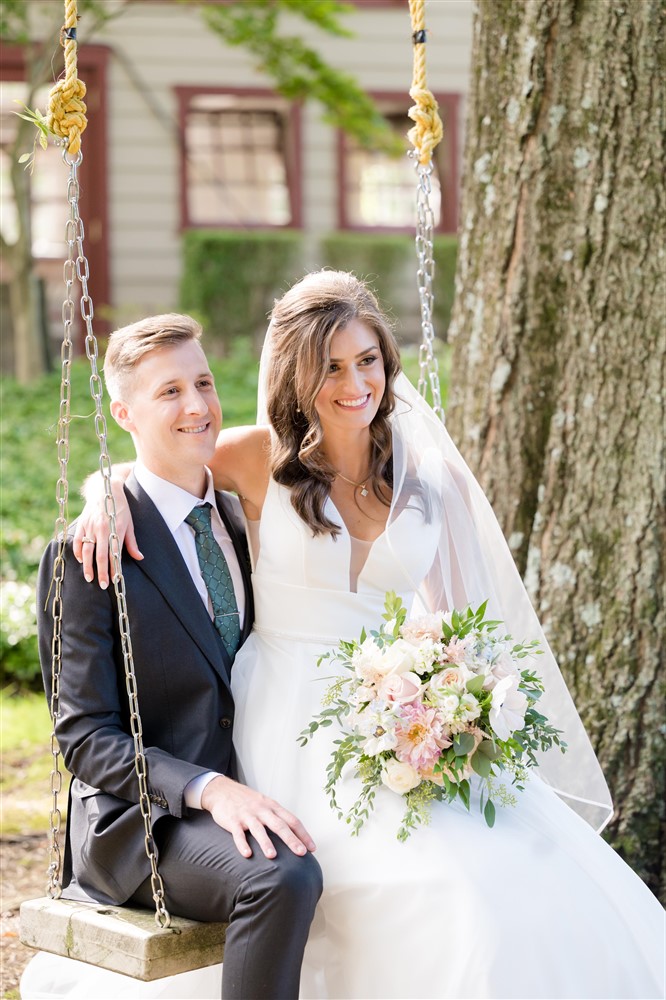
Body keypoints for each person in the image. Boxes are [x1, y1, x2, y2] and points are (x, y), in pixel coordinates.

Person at [73, 273, 664, 1000]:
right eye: (332, 366)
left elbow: (458, 622)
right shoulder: (258, 457)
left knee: (527, 865)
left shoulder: (432, 478)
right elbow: (158, 468)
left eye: (369, 360)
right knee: (432, 885)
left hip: (398, 709)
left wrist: (449, 696)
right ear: (298, 373)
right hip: (289, 714)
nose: (356, 383)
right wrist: (99, 497)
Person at [28, 314, 323, 1000]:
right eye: (169, 393)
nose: (196, 406)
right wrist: (204, 788)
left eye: (203, 382)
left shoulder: (246, 515)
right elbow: (82, 738)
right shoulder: (89, 552)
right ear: (124, 412)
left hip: (260, 778)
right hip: (146, 822)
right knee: (282, 875)